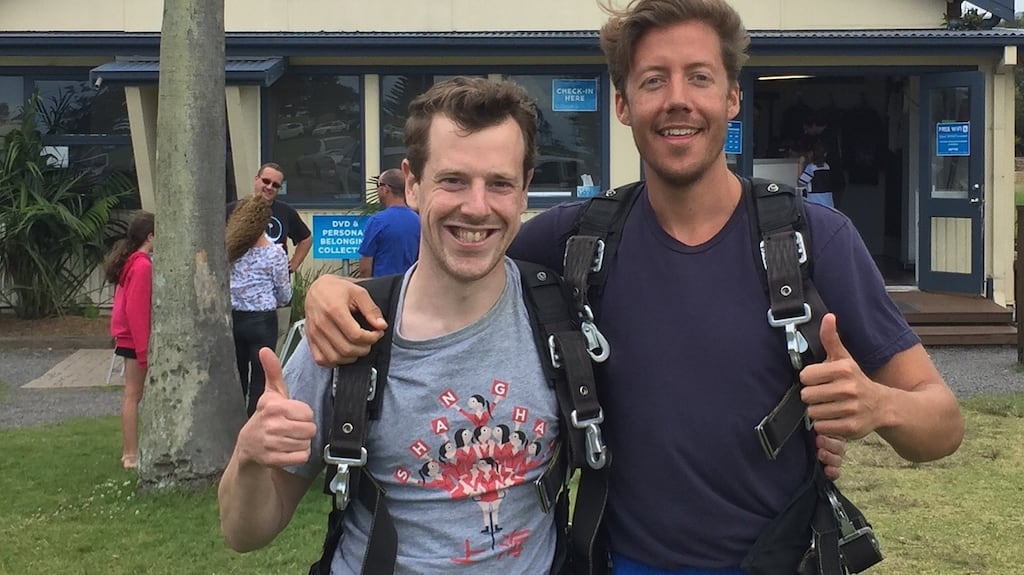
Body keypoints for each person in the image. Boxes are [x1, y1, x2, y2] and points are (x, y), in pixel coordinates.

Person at [298, 0, 966, 573]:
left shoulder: (814, 240)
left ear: (732, 96)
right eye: (654, 80)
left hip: (781, 556)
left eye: (700, 77)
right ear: (623, 103)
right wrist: (332, 296)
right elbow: (455, 260)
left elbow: (943, 423)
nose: (678, 99)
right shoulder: (574, 241)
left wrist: (878, 406)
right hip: (617, 559)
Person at [219, 77, 568, 573]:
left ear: (525, 187)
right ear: (413, 183)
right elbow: (243, 532)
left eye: (499, 183)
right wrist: (250, 456)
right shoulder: (349, 335)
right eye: (453, 180)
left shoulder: (559, 320)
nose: (476, 206)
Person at [226, 194, 292, 417]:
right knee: (261, 378)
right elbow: (284, 293)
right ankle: (256, 422)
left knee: (237, 377)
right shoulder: (274, 253)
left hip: (235, 318)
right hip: (263, 320)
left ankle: (234, 426)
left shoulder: (229, 251)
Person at [102, 210, 155, 470]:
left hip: (127, 336)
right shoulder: (142, 264)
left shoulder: (132, 261)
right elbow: (136, 310)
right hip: (133, 339)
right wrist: (144, 351)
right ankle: (130, 453)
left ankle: (132, 450)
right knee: (133, 394)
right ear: (150, 236)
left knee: (132, 394)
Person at [357, 168, 420, 278]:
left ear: (385, 189)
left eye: (378, 186)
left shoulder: (377, 222)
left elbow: (365, 268)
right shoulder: (418, 220)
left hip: (383, 289)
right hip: (408, 287)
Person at [798, 140, 835, 207]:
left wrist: (801, 164)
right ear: (825, 154)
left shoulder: (811, 168)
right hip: (828, 202)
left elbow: (800, 183)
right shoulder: (827, 166)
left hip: (815, 203)